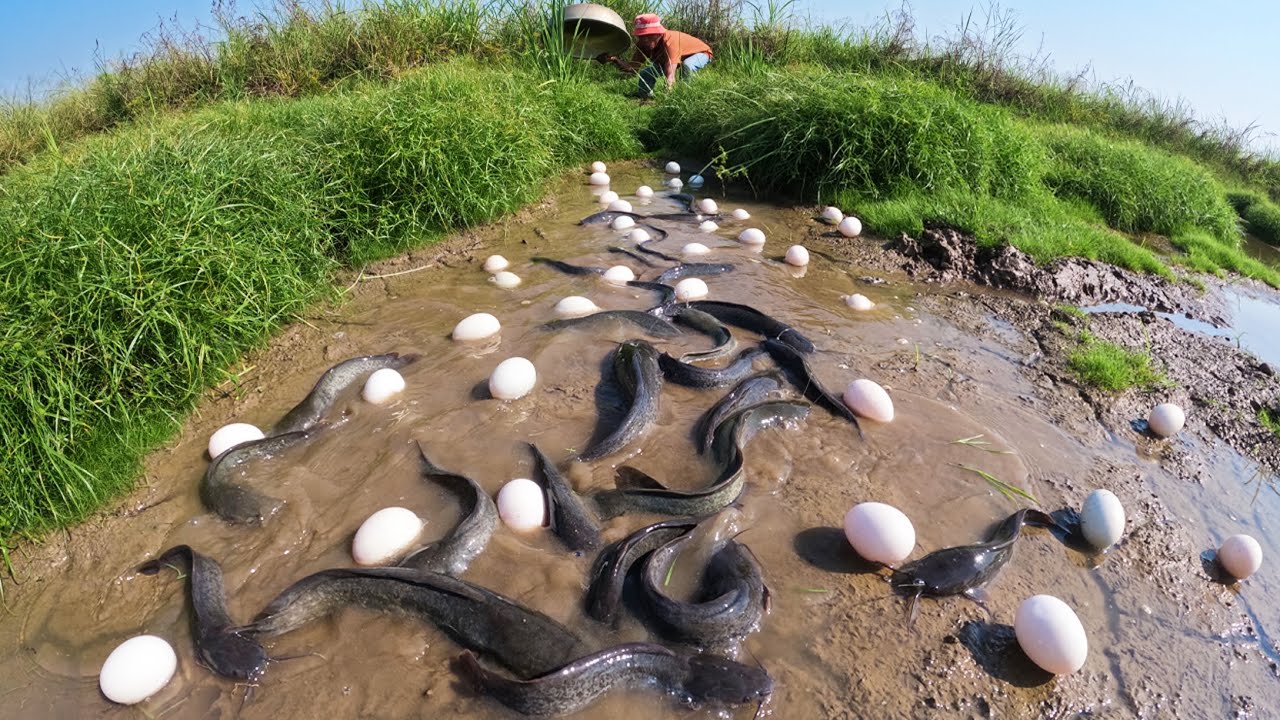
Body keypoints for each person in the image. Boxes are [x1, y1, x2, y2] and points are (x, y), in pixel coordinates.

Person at [597, 13, 712, 98]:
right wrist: (614, 60)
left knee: (687, 66)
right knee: (645, 74)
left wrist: (668, 97)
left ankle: (685, 97)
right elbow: (633, 69)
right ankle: (645, 97)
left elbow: (670, 75)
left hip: (700, 53)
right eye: (641, 36)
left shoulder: (670, 41)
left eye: (649, 35)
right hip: (671, 59)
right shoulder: (643, 45)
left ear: (658, 33)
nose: (645, 39)